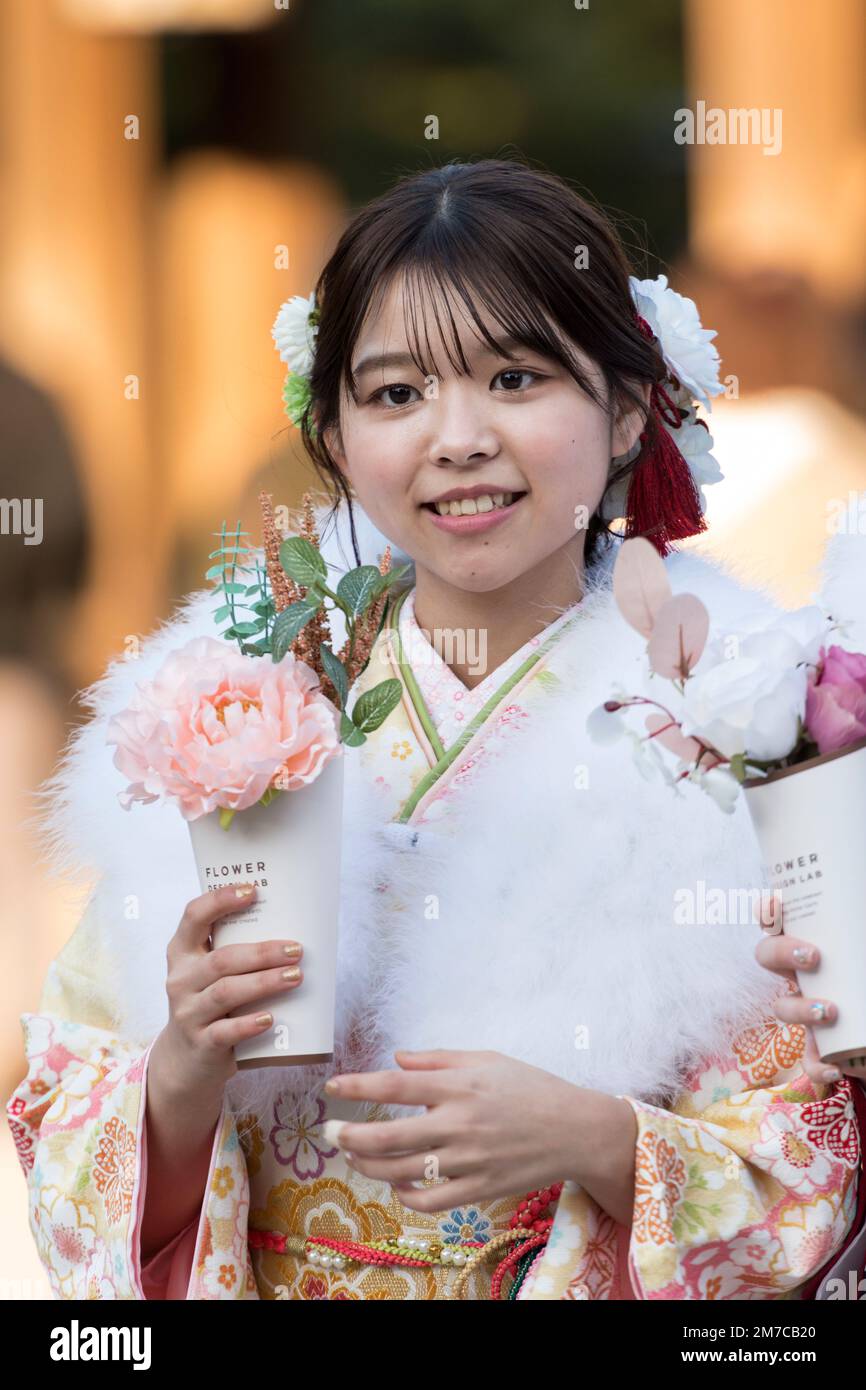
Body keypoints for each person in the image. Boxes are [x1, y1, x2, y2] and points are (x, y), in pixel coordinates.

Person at [7, 157, 866, 1301]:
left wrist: (593, 1139)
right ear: (333, 435)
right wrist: (180, 1070)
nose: (454, 439)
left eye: (514, 378)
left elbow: (811, 1164)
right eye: (395, 394)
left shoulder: (750, 720)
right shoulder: (229, 710)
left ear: (624, 410)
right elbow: (66, 1109)